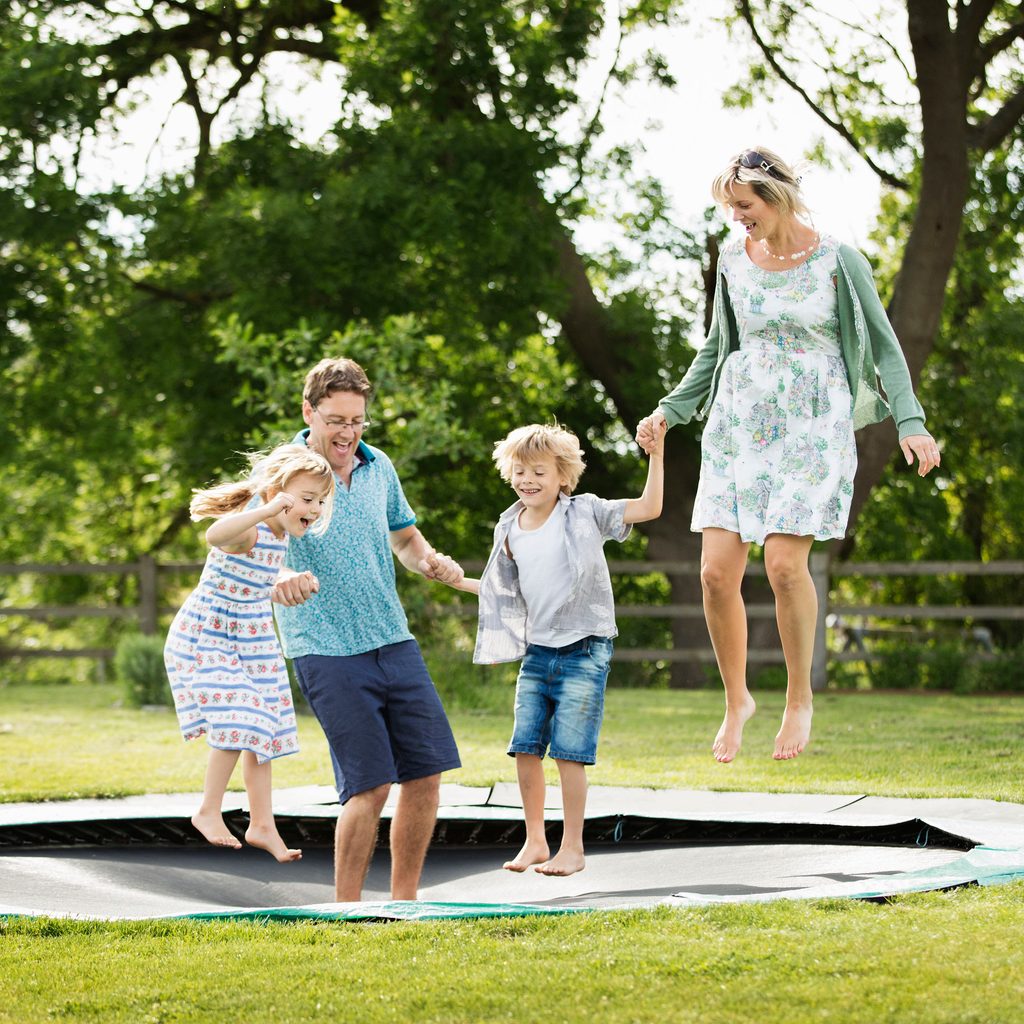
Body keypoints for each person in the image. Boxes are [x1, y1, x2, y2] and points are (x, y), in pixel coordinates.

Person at [636, 146, 941, 764]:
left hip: (812, 422)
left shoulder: (838, 259)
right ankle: (737, 699)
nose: (737, 218)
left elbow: (885, 346)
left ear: (774, 197)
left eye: (744, 207)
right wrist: (671, 408)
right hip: (739, 423)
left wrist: (911, 420)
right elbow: (718, 347)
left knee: (782, 564)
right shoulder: (731, 259)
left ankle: (799, 697)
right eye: (731, 209)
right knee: (715, 573)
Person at [272, 357, 464, 902]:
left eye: (357, 421)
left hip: (392, 638)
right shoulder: (284, 472)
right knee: (370, 783)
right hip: (324, 646)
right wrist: (281, 574)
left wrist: (430, 560)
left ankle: (404, 905)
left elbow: (404, 539)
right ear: (309, 412)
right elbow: (250, 548)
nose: (348, 433)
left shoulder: (380, 468)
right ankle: (347, 910)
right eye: (336, 420)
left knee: (426, 774)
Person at [450, 421, 666, 877]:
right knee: (526, 748)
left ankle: (572, 848)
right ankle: (534, 842)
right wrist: (455, 581)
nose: (527, 480)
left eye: (539, 473)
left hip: (585, 649)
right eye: (520, 471)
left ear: (563, 477)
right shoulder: (508, 527)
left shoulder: (585, 512)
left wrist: (657, 454)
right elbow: (502, 593)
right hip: (538, 654)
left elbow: (649, 507)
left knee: (570, 753)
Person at [164, 444, 336, 862]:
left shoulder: (278, 537)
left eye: (320, 502)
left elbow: (263, 571)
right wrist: (265, 507)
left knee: (269, 726)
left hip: (253, 636)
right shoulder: (252, 528)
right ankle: (208, 809)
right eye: (307, 499)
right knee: (244, 715)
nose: (313, 509)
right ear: (278, 492)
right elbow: (215, 535)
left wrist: (295, 578)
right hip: (212, 634)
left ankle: (262, 824)